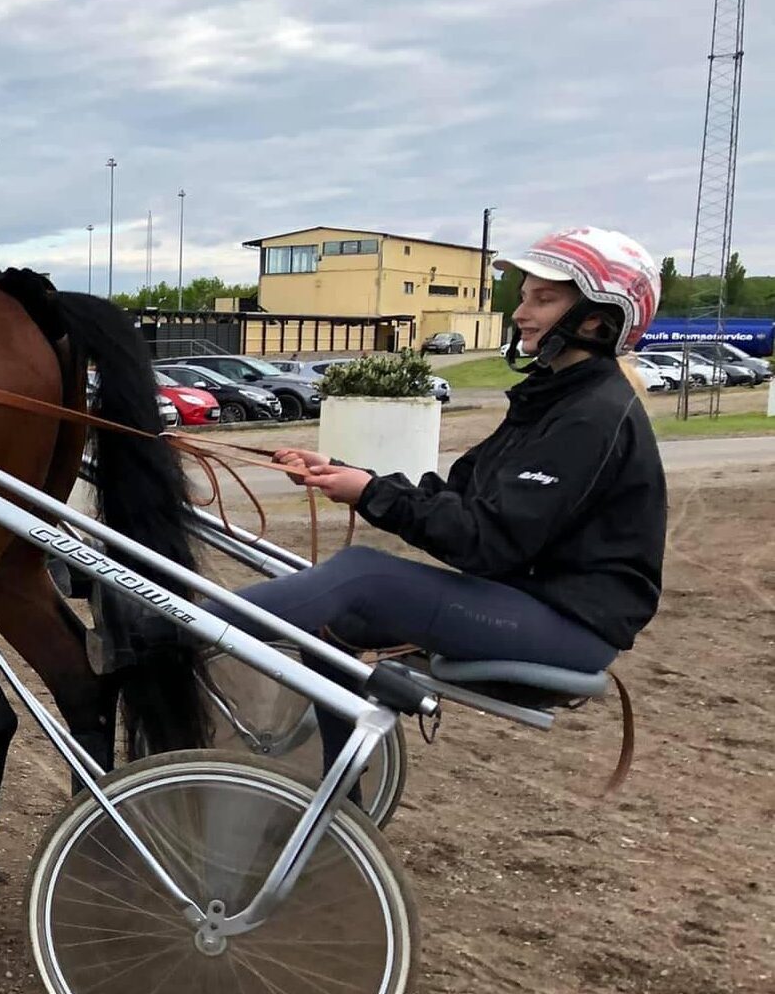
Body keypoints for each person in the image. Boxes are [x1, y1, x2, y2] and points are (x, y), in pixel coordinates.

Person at [220, 227, 668, 768]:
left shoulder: (592, 415)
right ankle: (339, 799)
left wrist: (369, 495)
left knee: (363, 576)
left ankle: (164, 626)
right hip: (532, 600)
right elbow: (460, 498)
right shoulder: (554, 398)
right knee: (330, 627)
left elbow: (487, 539)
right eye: (523, 297)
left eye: (543, 299)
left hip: (570, 625)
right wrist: (349, 477)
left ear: (599, 319)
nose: (522, 313)